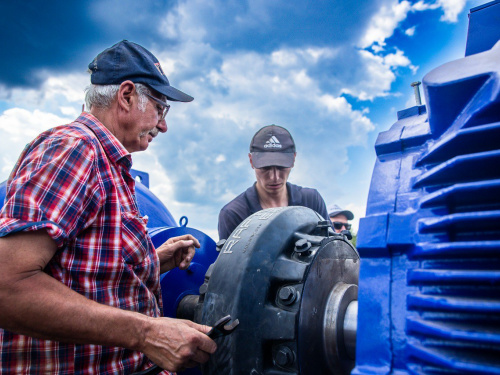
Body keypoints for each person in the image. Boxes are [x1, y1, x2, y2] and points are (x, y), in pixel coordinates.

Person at [0, 40, 216, 374]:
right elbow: (7, 285)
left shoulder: (109, 165)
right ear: (127, 95)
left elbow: (80, 274)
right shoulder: (73, 150)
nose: (163, 125)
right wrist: (146, 333)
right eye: (161, 108)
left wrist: (152, 263)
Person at [218, 124, 329, 240]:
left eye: (281, 167)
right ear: (251, 161)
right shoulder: (234, 213)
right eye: (265, 168)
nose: (274, 177)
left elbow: (333, 250)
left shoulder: (311, 200)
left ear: (293, 159)